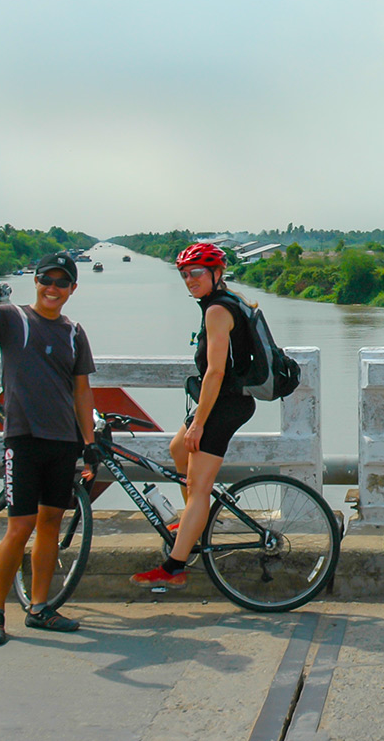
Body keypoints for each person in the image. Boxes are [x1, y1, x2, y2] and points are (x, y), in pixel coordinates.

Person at [0, 236, 96, 646]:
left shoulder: (73, 332)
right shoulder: (12, 319)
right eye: (47, 278)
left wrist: (89, 442)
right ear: (35, 280)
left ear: (72, 290)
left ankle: (40, 608)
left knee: (50, 524)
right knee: (19, 527)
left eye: (62, 282)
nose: (53, 287)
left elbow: (82, 390)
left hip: (63, 441)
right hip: (23, 439)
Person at [131, 243, 256, 589]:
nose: (189, 280)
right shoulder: (232, 299)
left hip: (225, 403)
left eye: (196, 272)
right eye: (184, 274)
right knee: (178, 450)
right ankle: (193, 524)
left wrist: (199, 424)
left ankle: (174, 567)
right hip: (224, 400)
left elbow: (215, 372)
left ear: (217, 273)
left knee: (199, 486)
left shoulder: (217, 311)